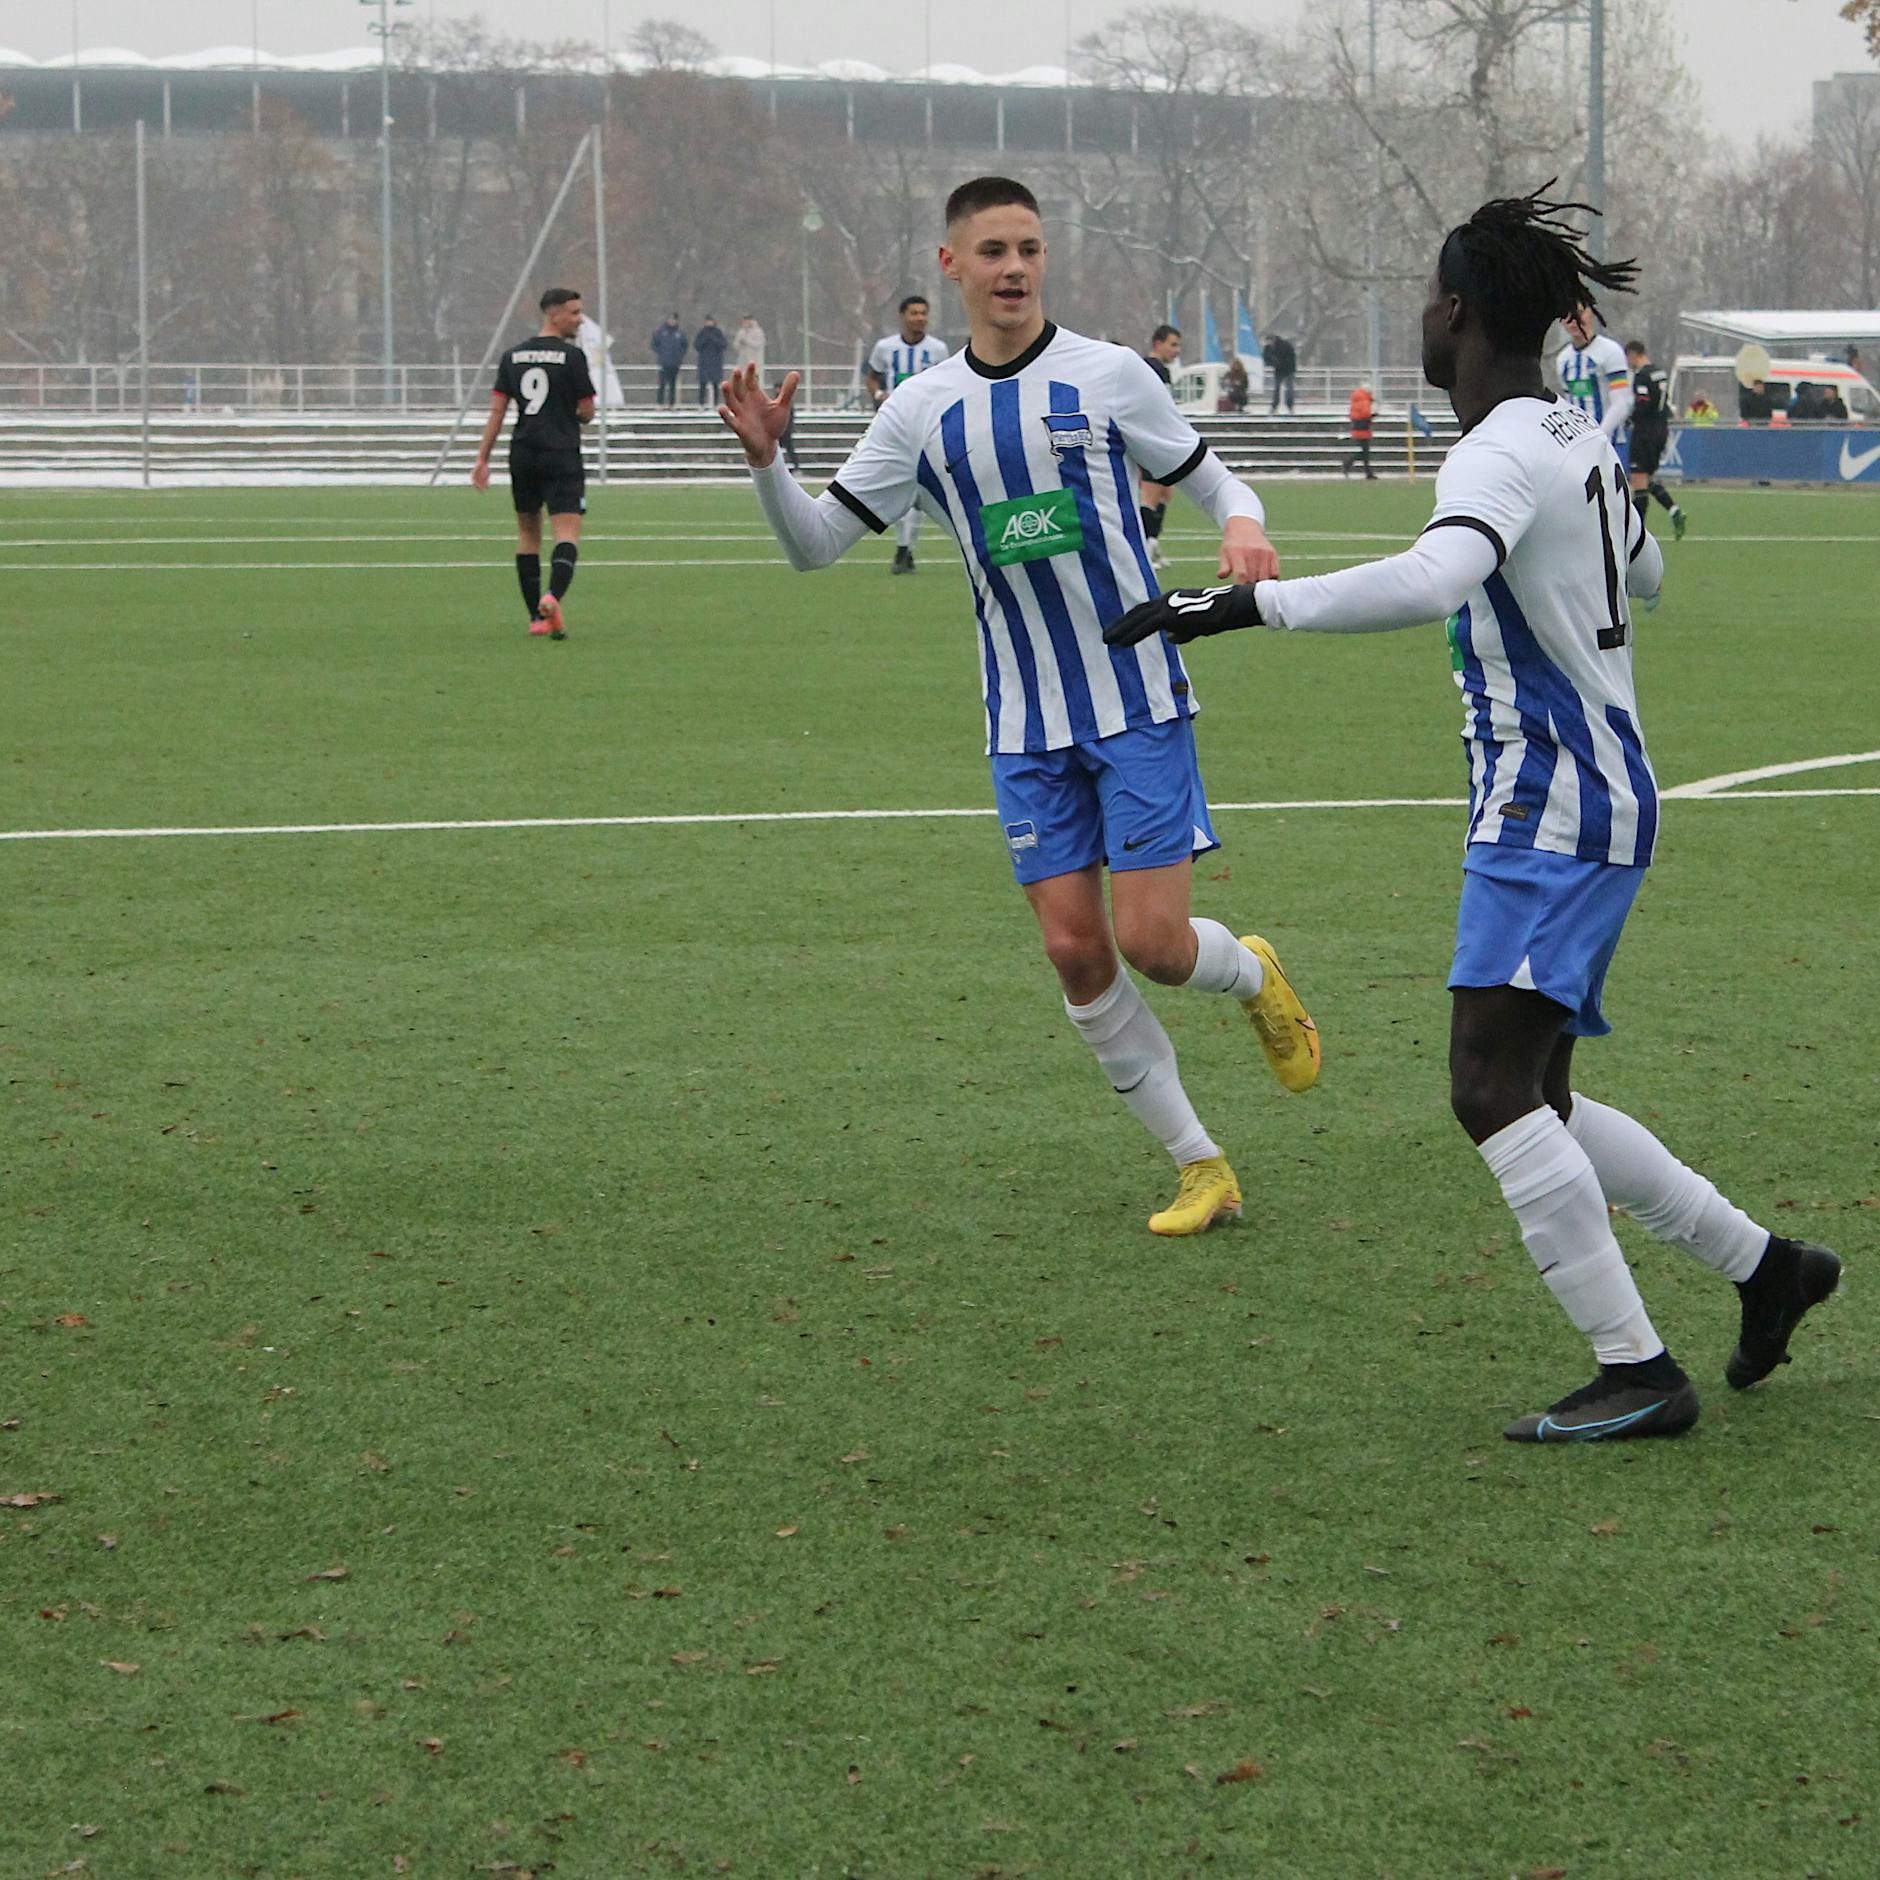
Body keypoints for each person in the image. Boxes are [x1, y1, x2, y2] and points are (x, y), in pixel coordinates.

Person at [1105, 186, 1839, 1441]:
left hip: (1552, 796)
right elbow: (1648, 572)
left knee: (1485, 1084)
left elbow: (1434, 575)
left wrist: (1237, 605)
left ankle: (1636, 1369)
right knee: (1535, 1091)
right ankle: (1762, 1265)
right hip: (1587, 788)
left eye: (1424, 300)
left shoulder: (1497, 445)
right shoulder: (1570, 432)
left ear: (1452, 312)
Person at [718, 173, 1319, 1237]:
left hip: (1133, 698)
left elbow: (1218, 480)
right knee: (1075, 954)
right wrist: (769, 465)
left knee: (1154, 944)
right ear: (950, 266)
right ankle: (1201, 1164)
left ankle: (1250, 970)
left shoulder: (1110, 375)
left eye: (1029, 249)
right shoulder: (918, 410)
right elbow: (815, 546)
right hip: (1022, 722)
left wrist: (1241, 524)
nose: (1013, 268)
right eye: (992, 250)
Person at [471, 285, 597, 640]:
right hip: (561, 453)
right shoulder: (572, 357)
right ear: (553, 314)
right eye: (574, 312)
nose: (580, 319)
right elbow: (587, 411)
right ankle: (552, 597)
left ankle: (535, 620)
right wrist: (569, 411)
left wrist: (482, 459)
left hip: (523, 454)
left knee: (528, 535)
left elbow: (498, 411)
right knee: (567, 534)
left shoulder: (512, 356)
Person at [864, 295, 951, 573]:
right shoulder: (885, 347)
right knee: (900, 484)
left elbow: (947, 382)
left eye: (923, 313)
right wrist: (879, 394)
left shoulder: (938, 349)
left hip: (925, 425)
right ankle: (904, 550)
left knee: (919, 488)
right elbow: (872, 376)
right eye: (914, 313)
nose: (919, 318)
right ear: (902, 316)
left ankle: (905, 550)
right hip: (894, 424)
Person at [1556, 302, 1633, 472]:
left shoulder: (1610, 351)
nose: (1573, 320)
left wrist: (1600, 436)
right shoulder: (1563, 359)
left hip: (1609, 445)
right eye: (1567, 315)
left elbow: (1622, 403)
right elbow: (1568, 404)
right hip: (1577, 447)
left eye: (1580, 313)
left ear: (1592, 314)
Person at [1622, 339, 1686, 539]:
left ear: (1633, 355)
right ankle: (1674, 510)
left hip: (1645, 432)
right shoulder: (1660, 372)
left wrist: (1629, 418)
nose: (1628, 363)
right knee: (1646, 479)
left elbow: (1643, 403)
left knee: (1638, 482)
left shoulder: (1642, 375)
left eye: (1628, 358)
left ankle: (1635, 535)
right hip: (1661, 430)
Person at [1137, 323, 1183, 568]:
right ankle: (1143, 548)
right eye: (1172, 345)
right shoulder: (1152, 368)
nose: (1177, 350)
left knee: (1166, 491)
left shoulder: (1160, 370)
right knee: (1151, 494)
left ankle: (1152, 543)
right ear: (1158, 344)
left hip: (1161, 439)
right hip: (1151, 440)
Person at [1342, 380, 1376, 478]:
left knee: (1364, 452)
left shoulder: (1356, 399)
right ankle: (1348, 463)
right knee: (1365, 452)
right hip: (1364, 428)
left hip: (1357, 428)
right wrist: (1373, 415)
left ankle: (1368, 473)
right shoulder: (1365, 400)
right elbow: (1365, 414)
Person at [694, 316, 729, 407]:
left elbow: (724, 345)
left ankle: (715, 404)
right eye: (707, 321)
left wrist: (715, 340)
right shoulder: (702, 332)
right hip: (704, 362)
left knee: (715, 384)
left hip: (715, 362)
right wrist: (705, 340)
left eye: (711, 321)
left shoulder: (718, 332)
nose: (709, 323)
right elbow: (697, 345)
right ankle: (701, 404)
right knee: (702, 384)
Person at [1264, 331, 1297, 412]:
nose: (1269, 344)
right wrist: (1273, 363)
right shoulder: (1268, 348)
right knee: (1277, 388)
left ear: (1273, 340)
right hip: (1279, 370)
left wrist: (1279, 363)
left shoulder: (1285, 345)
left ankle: (1290, 406)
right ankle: (1275, 406)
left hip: (1288, 369)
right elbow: (1266, 358)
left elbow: (1291, 357)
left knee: (1289, 388)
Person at [733, 314, 767, 379]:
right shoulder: (741, 332)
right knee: (743, 379)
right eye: (744, 321)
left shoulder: (758, 332)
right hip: (743, 362)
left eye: (747, 321)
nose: (745, 323)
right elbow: (735, 346)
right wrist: (740, 343)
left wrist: (747, 341)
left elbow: (759, 344)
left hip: (755, 361)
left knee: (754, 379)